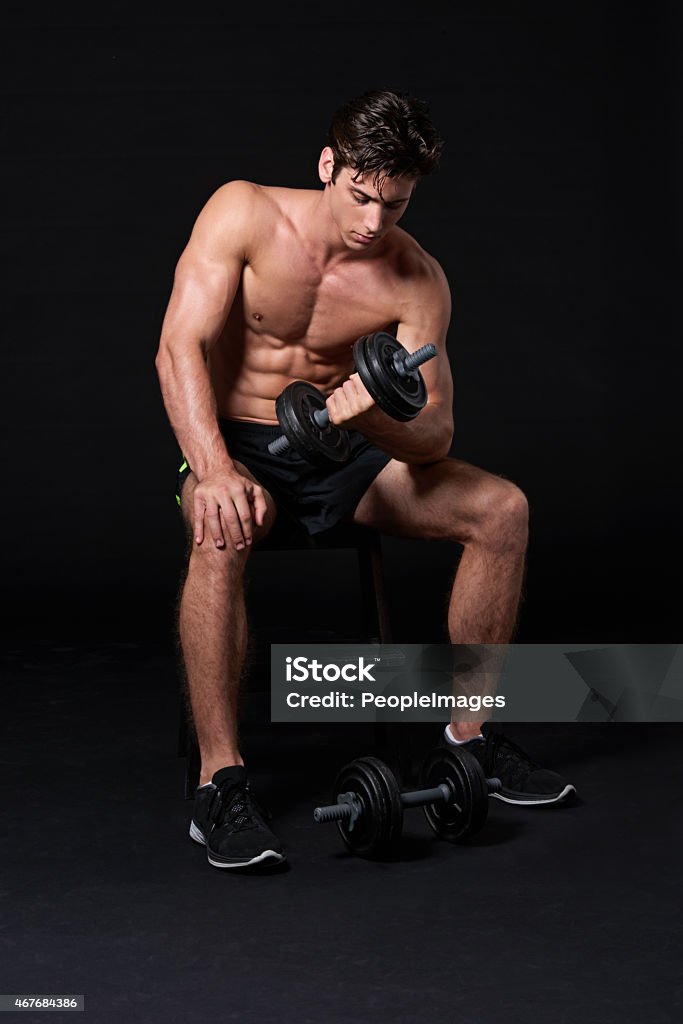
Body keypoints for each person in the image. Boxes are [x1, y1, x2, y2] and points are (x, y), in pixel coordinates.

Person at [156, 89, 575, 870]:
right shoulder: (242, 213)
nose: (372, 223)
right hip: (237, 442)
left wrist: (368, 415)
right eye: (360, 195)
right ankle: (222, 784)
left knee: (500, 509)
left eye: (394, 204)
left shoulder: (416, 281)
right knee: (218, 529)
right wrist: (212, 469)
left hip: (348, 455)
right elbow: (177, 349)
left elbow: (435, 435)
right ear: (328, 165)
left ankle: (468, 739)